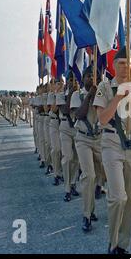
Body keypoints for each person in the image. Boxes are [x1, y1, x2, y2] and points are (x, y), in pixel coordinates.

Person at [94, 47, 131, 254]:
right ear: (114, 65)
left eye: (129, 63)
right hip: (112, 142)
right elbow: (102, 118)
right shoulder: (105, 87)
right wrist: (118, 97)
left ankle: (123, 244)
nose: (125, 67)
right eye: (121, 63)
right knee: (118, 197)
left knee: (130, 199)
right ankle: (112, 242)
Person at [71, 65, 102, 232]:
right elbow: (79, 114)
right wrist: (89, 96)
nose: (92, 78)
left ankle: (94, 203)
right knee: (88, 175)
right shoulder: (78, 94)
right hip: (83, 138)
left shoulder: (102, 94)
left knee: (103, 174)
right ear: (83, 79)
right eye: (89, 75)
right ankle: (87, 214)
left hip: (100, 139)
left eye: (95, 75)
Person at [57, 72, 80, 202]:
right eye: (71, 79)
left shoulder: (79, 94)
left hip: (76, 128)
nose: (73, 82)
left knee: (76, 159)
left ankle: (73, 184)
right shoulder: (61, 94)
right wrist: (71, 93)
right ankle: (66, 189)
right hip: (65, 127)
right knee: (68, 157)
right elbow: (65, 110)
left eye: (75, 79)